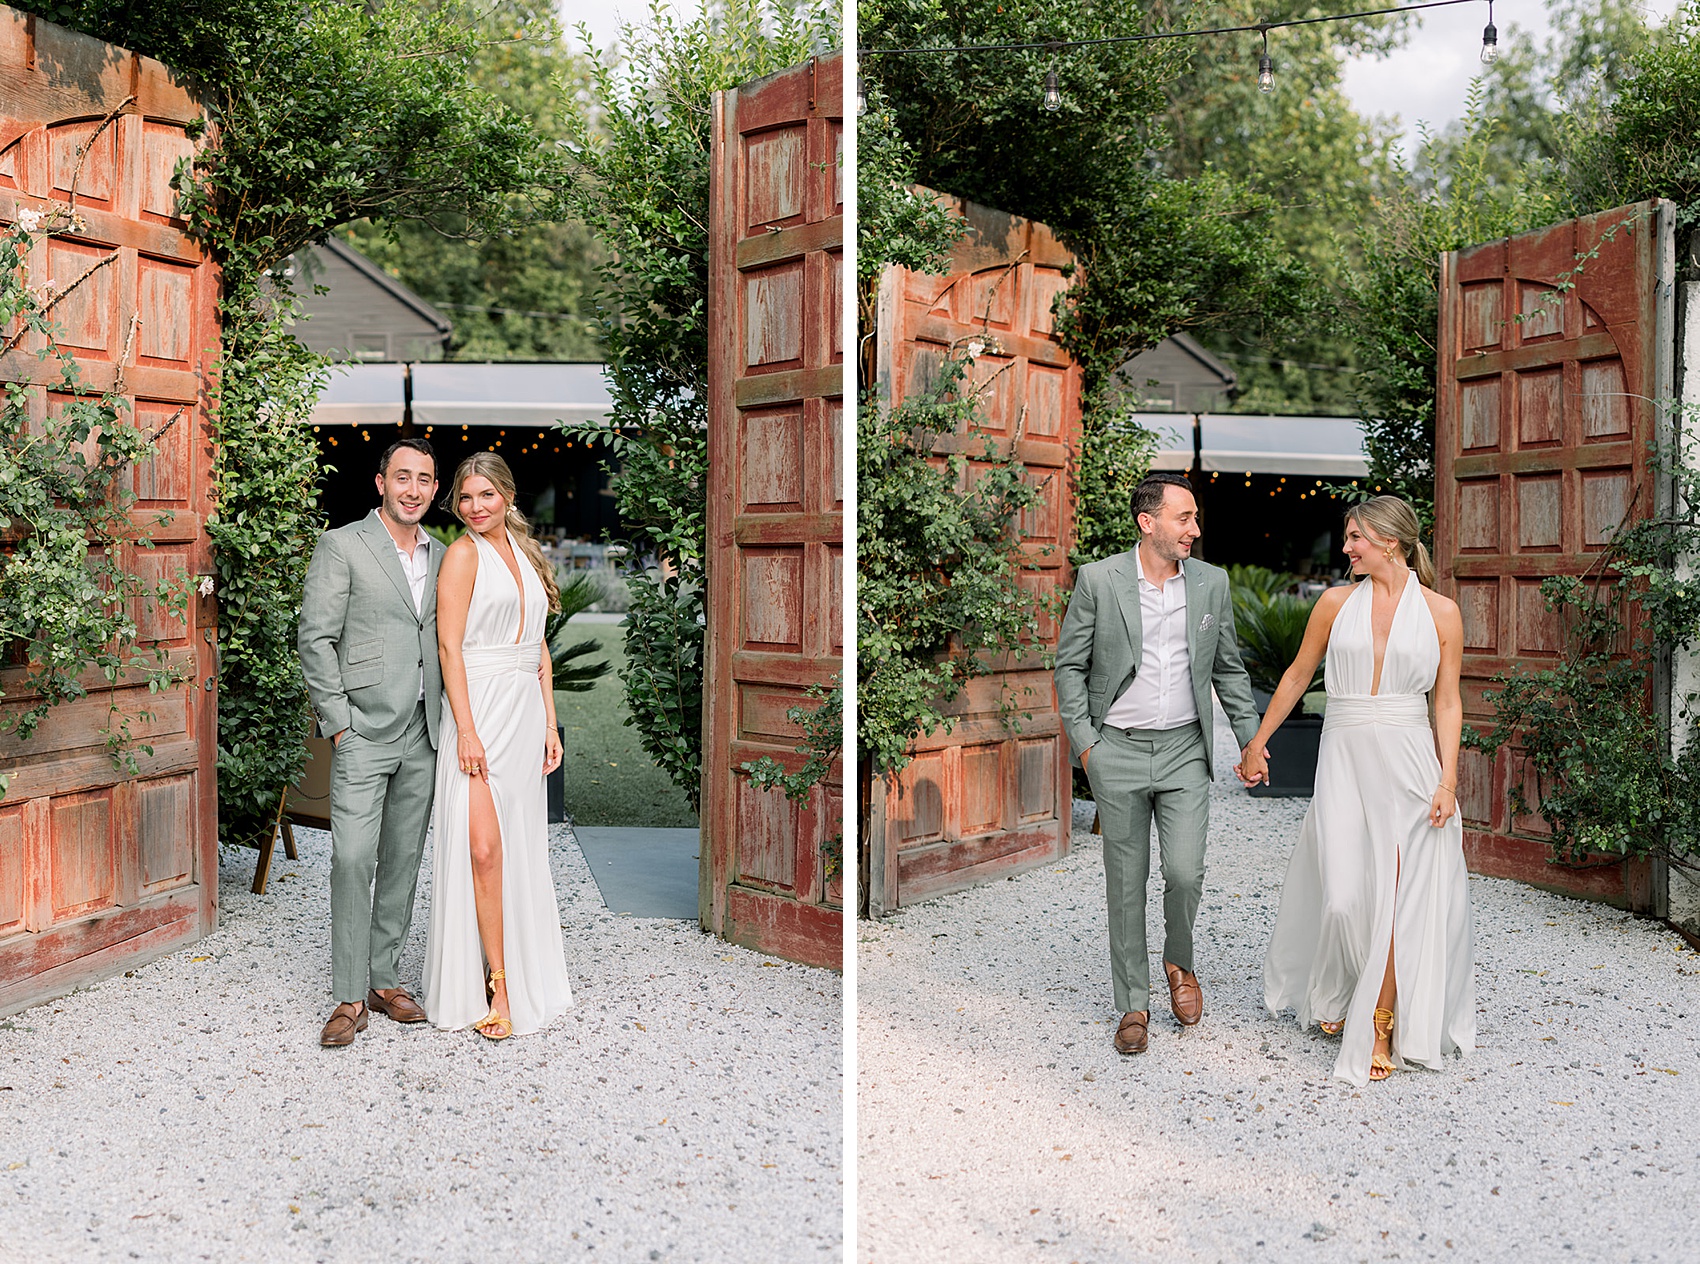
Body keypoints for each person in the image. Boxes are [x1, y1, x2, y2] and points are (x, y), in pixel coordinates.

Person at [1245, 495, 1475, 1086]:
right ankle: (1348, 985)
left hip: (1411, 763)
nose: (1346, 548)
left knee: (1400, 899)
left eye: (1354, 538)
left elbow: (1447, 701)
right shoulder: (1334, 603)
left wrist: (1448, 778)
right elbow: (1298, 674)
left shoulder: (1442, 613)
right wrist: (1257, 741)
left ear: (1389, 542)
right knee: (1344, 897)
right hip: (1343, 757)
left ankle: (1380, 1022)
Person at [1053, 473, 1263, 1056]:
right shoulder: (1099, 580)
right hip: (1116, 750)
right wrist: (1088, 745)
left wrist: (1250, 739)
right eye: (1184, 518)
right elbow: (1069, 666)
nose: (1195, 529)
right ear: (1148, 523)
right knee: (1125, 883)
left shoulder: (1212, 583)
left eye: (1194, 518)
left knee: (1186, 872)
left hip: (1184, 751)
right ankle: (1133, 1004)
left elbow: (1228, 669)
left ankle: (1179, 961)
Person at [421, 452, 573, 1039]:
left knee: (520, 848)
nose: (474, 507)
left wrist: (551, 725)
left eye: (485, 494)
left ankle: (523, 972)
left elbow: (539, 648)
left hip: (524, 714)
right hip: (478, 712)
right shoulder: (462, 556)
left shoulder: (527, 553)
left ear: (507, 496)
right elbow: (449, 648)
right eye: (464, 497)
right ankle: (497, 987)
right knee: (482, 850)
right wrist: (465, 729)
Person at [297, 438, 444, 1047]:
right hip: (362, 728)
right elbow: (315, 638)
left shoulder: (444, 555)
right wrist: (338, 722)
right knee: (353, 858)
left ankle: (384, 982)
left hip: (425, 731)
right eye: (402, 477)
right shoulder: (343, 545)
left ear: (435, 489)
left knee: (404, 858)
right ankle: (348, 996)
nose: (413, 489)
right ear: (381, 482)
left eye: (424, 479)